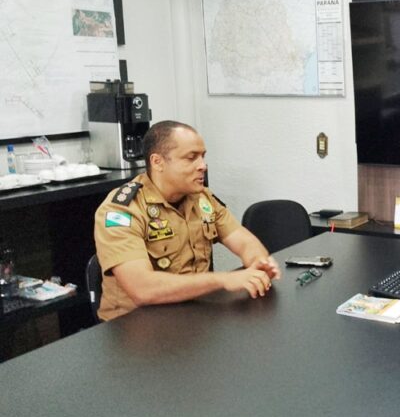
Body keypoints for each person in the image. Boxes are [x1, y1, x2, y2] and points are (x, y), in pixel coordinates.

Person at [93, 120, 281, 321]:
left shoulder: (201, 198)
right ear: (158, 162)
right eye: (191, 158)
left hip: (192, 315)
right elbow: (142, 289)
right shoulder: (121, 211)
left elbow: (243, 241)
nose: (203, 166)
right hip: (135, 328)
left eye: (203, 156)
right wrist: (224, 280)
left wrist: (258, 263)